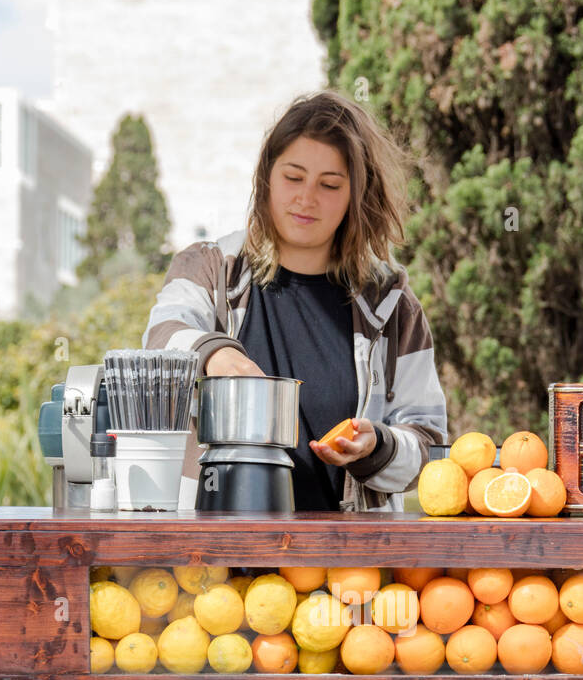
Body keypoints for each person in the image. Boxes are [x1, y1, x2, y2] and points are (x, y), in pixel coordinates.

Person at [142, 89, 448, 512]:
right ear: (267, 176)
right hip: (212, 563)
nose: (307, 198)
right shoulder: (209, 268)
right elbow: (162, 337)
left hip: (344, 568)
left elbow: (431, 451)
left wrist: (378, 446)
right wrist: (217, 355)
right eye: (293, 177)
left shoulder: (392, 304)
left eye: (329, 185)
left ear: (356, 196)